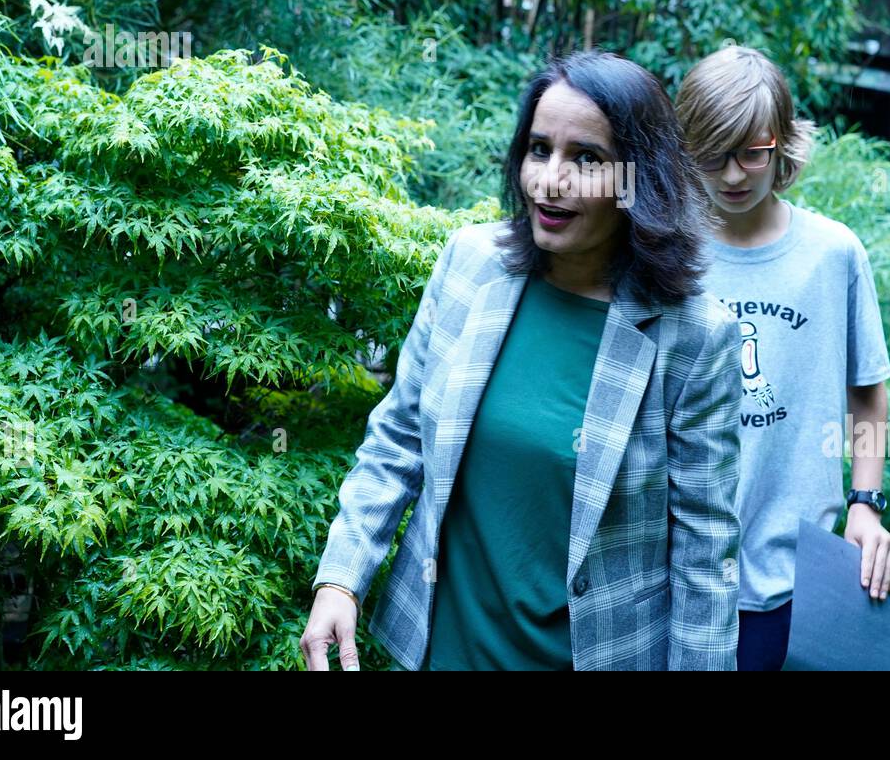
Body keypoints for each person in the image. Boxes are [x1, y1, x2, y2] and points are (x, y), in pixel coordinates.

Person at [300, 50, 743, 671]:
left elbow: (705, 553)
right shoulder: (469, 264)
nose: (549, 180)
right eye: (539, 149)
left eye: (586, 158)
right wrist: (341, 579)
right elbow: (398, 438)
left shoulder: (693, 336)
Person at [674, 45, 890, 672]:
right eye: (712, 155)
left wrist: (866, 503)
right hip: (682, 579)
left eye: (753, 152)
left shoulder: (834, 254)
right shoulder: (666, 256)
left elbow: (868, 391)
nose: (734, 175)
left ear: (785, 145)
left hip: (800, 578)